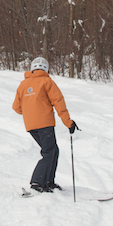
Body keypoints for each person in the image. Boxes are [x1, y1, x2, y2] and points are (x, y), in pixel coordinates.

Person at [12, 57, 78, 193]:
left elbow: (16, 108)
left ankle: (48, 182)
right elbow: (59, 103)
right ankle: (37, 182)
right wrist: (69, 123)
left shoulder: (23, 84)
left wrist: (30, 109)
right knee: (49, 152)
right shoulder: (47, 82)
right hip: (45, 124)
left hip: (31, 126)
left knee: (53, 151)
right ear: (46, 69)